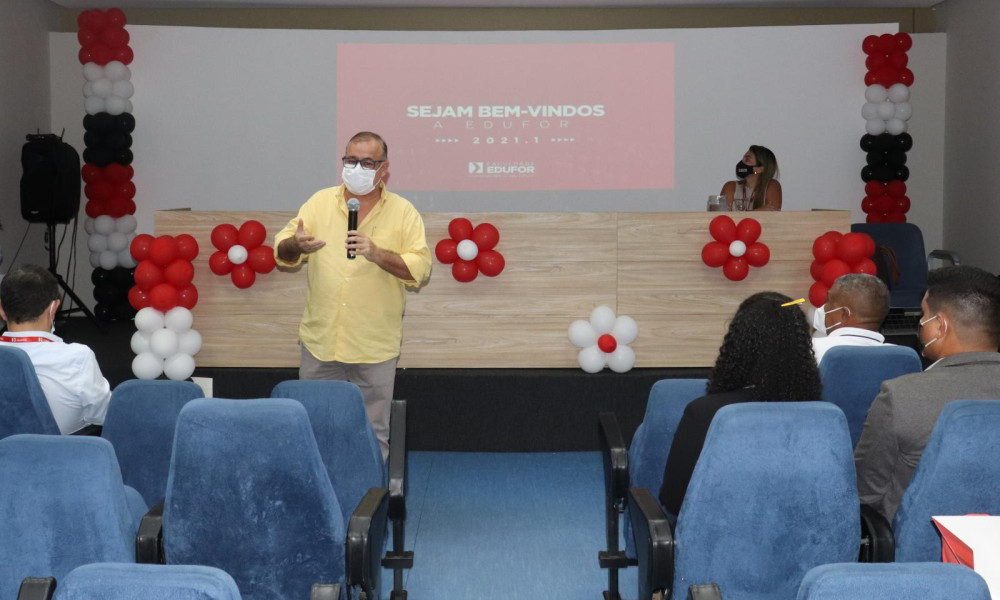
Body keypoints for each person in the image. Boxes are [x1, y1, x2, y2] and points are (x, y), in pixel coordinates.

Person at [274, 131, 432, 458]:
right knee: (313, 430)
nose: (357, 168)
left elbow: (419, 270)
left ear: (383, 168)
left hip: (373, 346)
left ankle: (371, 503)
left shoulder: (403, 212)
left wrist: (377, 254)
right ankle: (321, 503)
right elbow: (283, 251)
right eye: (350, 161)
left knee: (373, 434)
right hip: (321, 343)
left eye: (367, 162)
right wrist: (295, 245)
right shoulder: (319, 202)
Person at [854, 265, 1000, 521]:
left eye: (923, 315)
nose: (921, 324)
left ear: (940, 326)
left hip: (917, 555)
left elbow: (864, 492)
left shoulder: (901, 395)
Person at [658, 292, 822, 517]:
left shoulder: (706, 413)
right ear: (803, 344)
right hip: (802, 541)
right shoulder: (823, 416)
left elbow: (674, 501)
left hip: (717, 543)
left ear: (737, 344)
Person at [0, 264, 110, 434]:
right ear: (53, 308)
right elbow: (103, 414)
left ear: (2, 309)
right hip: (60, 454)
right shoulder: (77, 357)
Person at [812, 273, 892, 364]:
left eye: (828, 301)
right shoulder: (902, 357)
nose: (824, 308)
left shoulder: (810, 351)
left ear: (844, 315)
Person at [721, 145, 782, 211]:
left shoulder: (772, 186)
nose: (742, 164)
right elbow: (722, 217)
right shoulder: (730, 187)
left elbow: (772, 216)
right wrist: (758, 212)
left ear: (759, 169)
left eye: (747, 159)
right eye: (743, 159)